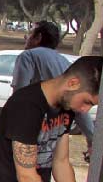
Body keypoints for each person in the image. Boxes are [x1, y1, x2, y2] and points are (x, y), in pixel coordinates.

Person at [11, 20, 95, 154]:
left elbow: (19, 95)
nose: (26, 38)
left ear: (38, 38)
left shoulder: (28, 56)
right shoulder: (65, 63)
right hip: (54, 132)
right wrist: (92, 140)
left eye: (30, 34)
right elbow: (79, 109)